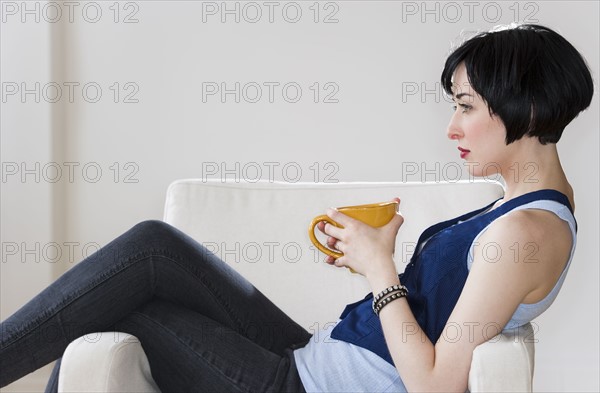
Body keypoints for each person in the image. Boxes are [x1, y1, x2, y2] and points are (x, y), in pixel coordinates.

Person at [0, 23, 593, 392]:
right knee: (155, 247)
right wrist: (373, 254)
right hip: (316, 354)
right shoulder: (525, 207)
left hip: (306, 385)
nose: (451, 128)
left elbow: (438, 386)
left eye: (465, 105)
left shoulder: (529, 233)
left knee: (129, 311)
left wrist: (379, 270)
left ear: (529, 108)